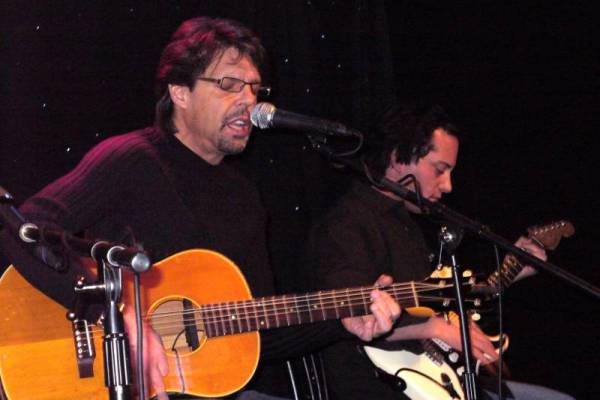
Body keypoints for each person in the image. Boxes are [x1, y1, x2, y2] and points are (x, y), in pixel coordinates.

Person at [0, 17, 401, 400]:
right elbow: (24, 230)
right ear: (180, 92)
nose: (248, 101)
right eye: (229, 84)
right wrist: (120, 318)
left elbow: (254, 331)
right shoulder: (132, 160)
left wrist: (341, 321)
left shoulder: (243, 197)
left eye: (254, 89)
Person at [305, 104, 574, 399]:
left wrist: (511, 271)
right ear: (397, 159)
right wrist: (439, 329)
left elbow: (441, 297)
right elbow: (350, 315)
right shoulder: (346, 223)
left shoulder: (407, 225)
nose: (447, 186)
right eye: (440, 170)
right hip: (381, 386)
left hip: (433, 378)